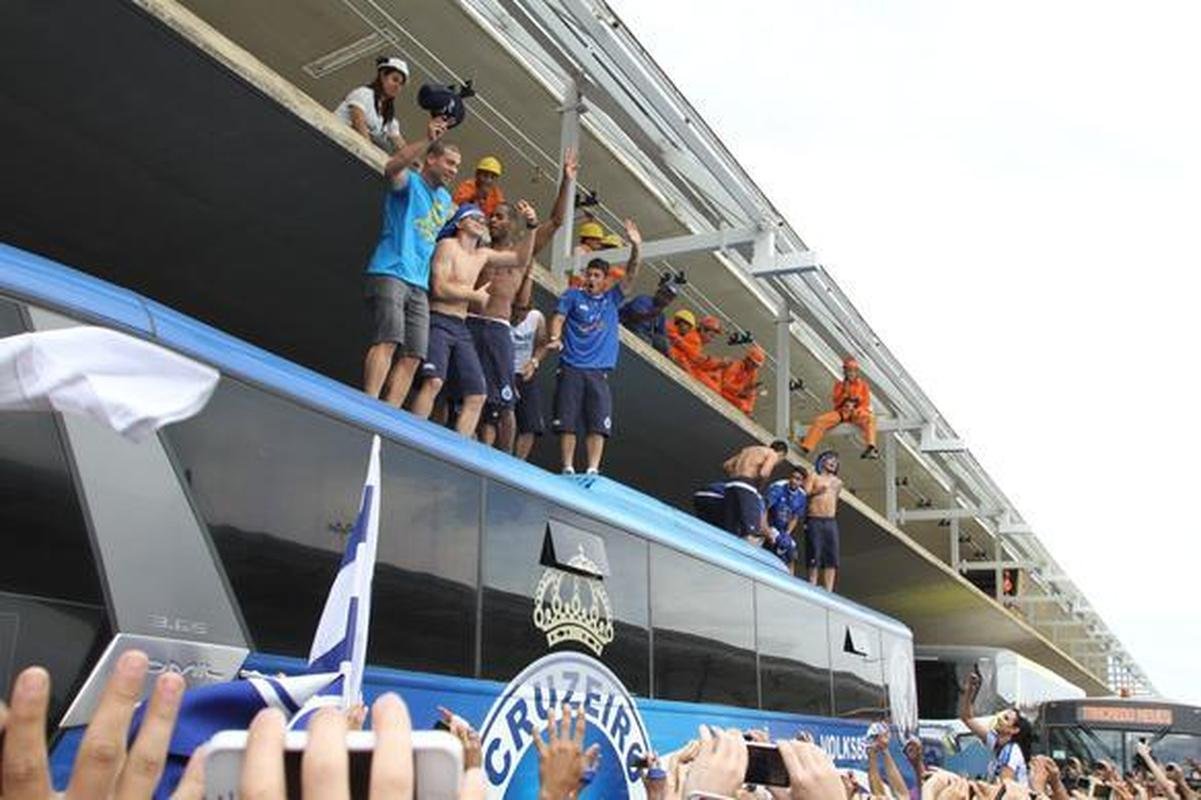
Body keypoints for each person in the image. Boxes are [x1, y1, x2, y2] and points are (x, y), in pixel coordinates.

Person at [470, 149, 578, 450]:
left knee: (505, 403)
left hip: (498, 328)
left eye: (500, 217)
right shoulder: (478, 244)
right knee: (458, 393)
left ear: (514, 224)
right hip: (469, 323)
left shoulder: (521, 251)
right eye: (492, 216)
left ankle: (504, 461)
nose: (493, 220)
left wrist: (566, 181)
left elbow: (556, 221)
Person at [409, 202, 537, 437]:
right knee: (435, 383)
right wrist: (472, 295)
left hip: (461, 328)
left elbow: (520, 258)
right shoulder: (447, 246)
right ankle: (412, 436)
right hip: (440, 319)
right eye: (474, 218)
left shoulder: (482, 254)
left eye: (482, 218)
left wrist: (531, 226)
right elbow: (438, 287)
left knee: (478, 394)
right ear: (459, 222)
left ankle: (458, 450)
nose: (482, 221)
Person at [362, 121, 456, 408]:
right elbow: (392, 167)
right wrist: (426, 139)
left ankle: (388, 414)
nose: (454, 170)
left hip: (419, 283)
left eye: (457, 165)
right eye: (449, 163)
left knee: (414, 355)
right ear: (431, 159)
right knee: (388, 339)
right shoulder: (410, 182)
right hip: (390, 270)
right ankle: (367, 403)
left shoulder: (445, 199)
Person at [546, 219, 643, 474]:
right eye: (588, 274)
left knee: (598, 423)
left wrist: (636, 246)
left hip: (598, 372)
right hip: (571, 367)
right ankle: (567, 466)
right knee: (567, 422)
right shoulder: (572, 295)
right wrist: (555, 336)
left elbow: (632, 272)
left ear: (605, 280)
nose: (590, 278)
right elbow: (558, 317)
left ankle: (592, 468)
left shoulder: (612, 299)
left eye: (596, 275)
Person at [960, 669, 1031, 786]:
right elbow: (967, 718)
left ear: (1014, 730)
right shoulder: (995, 741)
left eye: (1006, 718)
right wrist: (970, 692)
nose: (999, 718)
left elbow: (1004, 788)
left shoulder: (1011, 752)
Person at [799, 355, 879, 459]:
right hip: (841, 412)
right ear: (845, 372)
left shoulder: (863, 386)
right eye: (849, 370)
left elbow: (866, 403)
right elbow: (836, 401)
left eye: (853, 371)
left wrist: (857, 407)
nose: (851, 373)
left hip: (856, 413)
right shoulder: (839, 385)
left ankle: (871, 447)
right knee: (820, 420)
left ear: (856, 372)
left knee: (870, 418)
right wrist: (845, 397)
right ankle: (807, 447)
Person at [334, 56, 409, 152]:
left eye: (401, 84)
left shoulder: (389, 118)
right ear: (382, 75)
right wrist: (372, 153)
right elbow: (358, 123)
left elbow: (400, 143)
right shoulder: (363, 93)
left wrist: (414, 162)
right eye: (394, 79)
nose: (397, 86)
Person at [720, 440, 789, 544]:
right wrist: (758, 487)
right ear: (782, 454)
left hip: (731, 485)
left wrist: (737, 477)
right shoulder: (772, 454)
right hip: (747, 486)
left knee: (730, 528)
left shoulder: (748, 450)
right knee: (750, 533)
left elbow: (727, 465)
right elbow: (764, 473)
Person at [511, 298, 548, 460]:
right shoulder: (503, 313)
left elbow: (542, 344)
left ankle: (518, 463)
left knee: (532, 424)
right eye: (519, 310)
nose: (521, 316)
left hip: (525, 372)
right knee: (501, 416)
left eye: (525, 311)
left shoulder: (536, 317)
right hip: (505, 371)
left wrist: (534, 362)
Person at [804, 450, 843, 590]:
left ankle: (829, 589)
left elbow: (835, 500)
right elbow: (805, 493)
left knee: (831, 556)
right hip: (815, 519)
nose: (833, 463)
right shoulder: (814, 476)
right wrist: (817, 491)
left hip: (830, 521)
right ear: (823, 460)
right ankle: (812, 583)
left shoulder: (838, 482)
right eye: (830, 459)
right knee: (814, 553)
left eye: (835, 461)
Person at [619, 279, 678, 353]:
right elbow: (633, 318)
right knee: (644, 339)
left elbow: (661, 335)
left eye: (669, 299)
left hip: (643, 339)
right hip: (626, 330)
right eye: (664, 295)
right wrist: (651, 315)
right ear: (658, 292)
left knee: (663, 344)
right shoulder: (643, 300)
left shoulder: (661, 316)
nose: (665, 300)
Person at [720, 343, 766, 414]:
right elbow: (724, 385)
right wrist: (741, 390)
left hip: (735, 395)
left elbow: (751, 392)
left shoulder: (753, 373)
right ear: (748, 359)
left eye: (756, 366)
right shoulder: (736, 365)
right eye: (753, 364)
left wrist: (749, 409)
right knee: (740, 404)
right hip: (723, 392)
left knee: (746, 402)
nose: (754, 367)